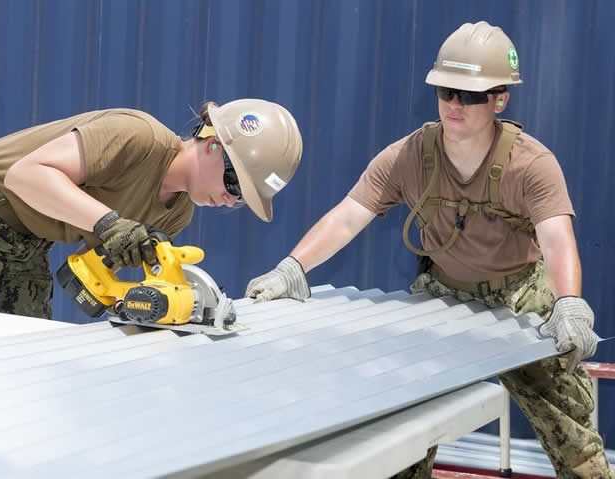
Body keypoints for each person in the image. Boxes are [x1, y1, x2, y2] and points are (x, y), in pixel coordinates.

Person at [246, 21, 612, 478]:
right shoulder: (409, 156)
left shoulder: (531, 164)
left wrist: (569, 304)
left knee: (572, 434)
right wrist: (291, 268)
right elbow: (348, 215)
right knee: (402, 427)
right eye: (446, 91)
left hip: (521, 297)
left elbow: (558, 239)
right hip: (441, 294)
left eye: (471, 94)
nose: (455, 104)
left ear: (500, 98)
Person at [0, 98, 303, 320]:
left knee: (21, 362)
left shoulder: (176, 215)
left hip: (26, 242)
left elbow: (85, 274)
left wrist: (141, 300)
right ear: (214, 144)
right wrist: (109, 224)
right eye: (235, 183)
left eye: (242, 199)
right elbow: (25, 175)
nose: (231, 200)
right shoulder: (138, 136)